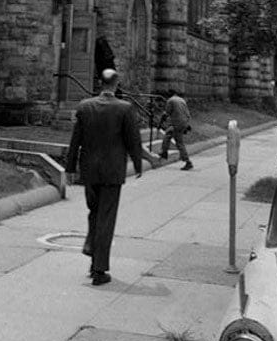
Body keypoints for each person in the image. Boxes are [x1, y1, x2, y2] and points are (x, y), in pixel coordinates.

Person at [65, 68, 144, 285]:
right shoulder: (125, 109)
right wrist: (138, 163)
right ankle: (99, 269)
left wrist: (70, 168)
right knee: (106, 219)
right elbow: (133, 140)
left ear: (100, 83)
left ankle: (92, 253)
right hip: (112, 171)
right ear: (116, 84)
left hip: (89, 170)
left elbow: (75, 141)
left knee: (94, 213)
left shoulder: (85, 106)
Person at [159, 88, 193, 170]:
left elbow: (166, 113)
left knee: (179, 142)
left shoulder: (171, 101)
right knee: (168, 133)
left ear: (169, 95)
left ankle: (187, 161)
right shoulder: (181, 100)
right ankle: (164, 152)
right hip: (184, 122)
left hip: (178, 123)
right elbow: (187, 112)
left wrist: (161, 122)